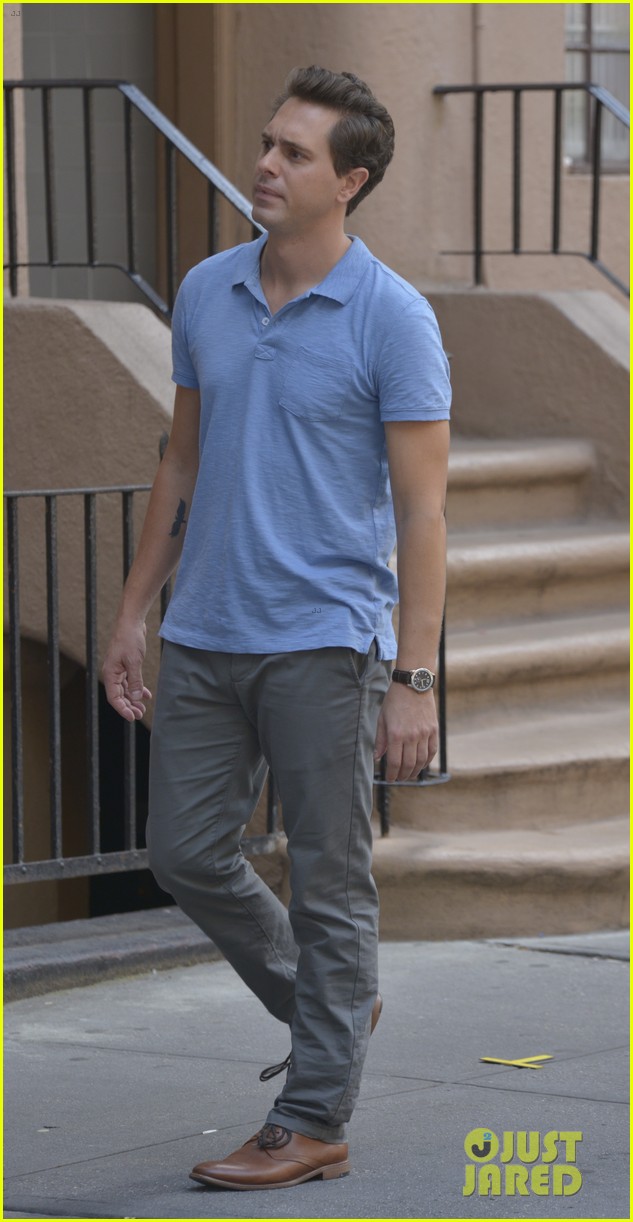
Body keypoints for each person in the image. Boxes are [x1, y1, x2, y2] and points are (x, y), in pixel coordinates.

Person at [103, 65, 451, 1192]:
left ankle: (312, 1118)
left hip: (324, 643)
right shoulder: (207, 289)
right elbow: (180, 462)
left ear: (349, 182)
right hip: (206, 629)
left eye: (295, 153)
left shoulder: (392, 318)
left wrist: (414, 677)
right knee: (185, 852)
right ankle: (328, 1004)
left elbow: (424, 513)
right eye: (267, 143)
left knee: (331, 882)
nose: (264, 163)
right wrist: (131, 612)